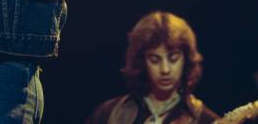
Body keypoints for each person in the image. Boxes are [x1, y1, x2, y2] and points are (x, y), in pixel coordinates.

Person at [85, 11, 219, 124]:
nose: (165, 69)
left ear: (186, 59)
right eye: (155, 60)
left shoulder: (204, 120)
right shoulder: (109, 114)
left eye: (173, 59)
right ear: (141, 62)